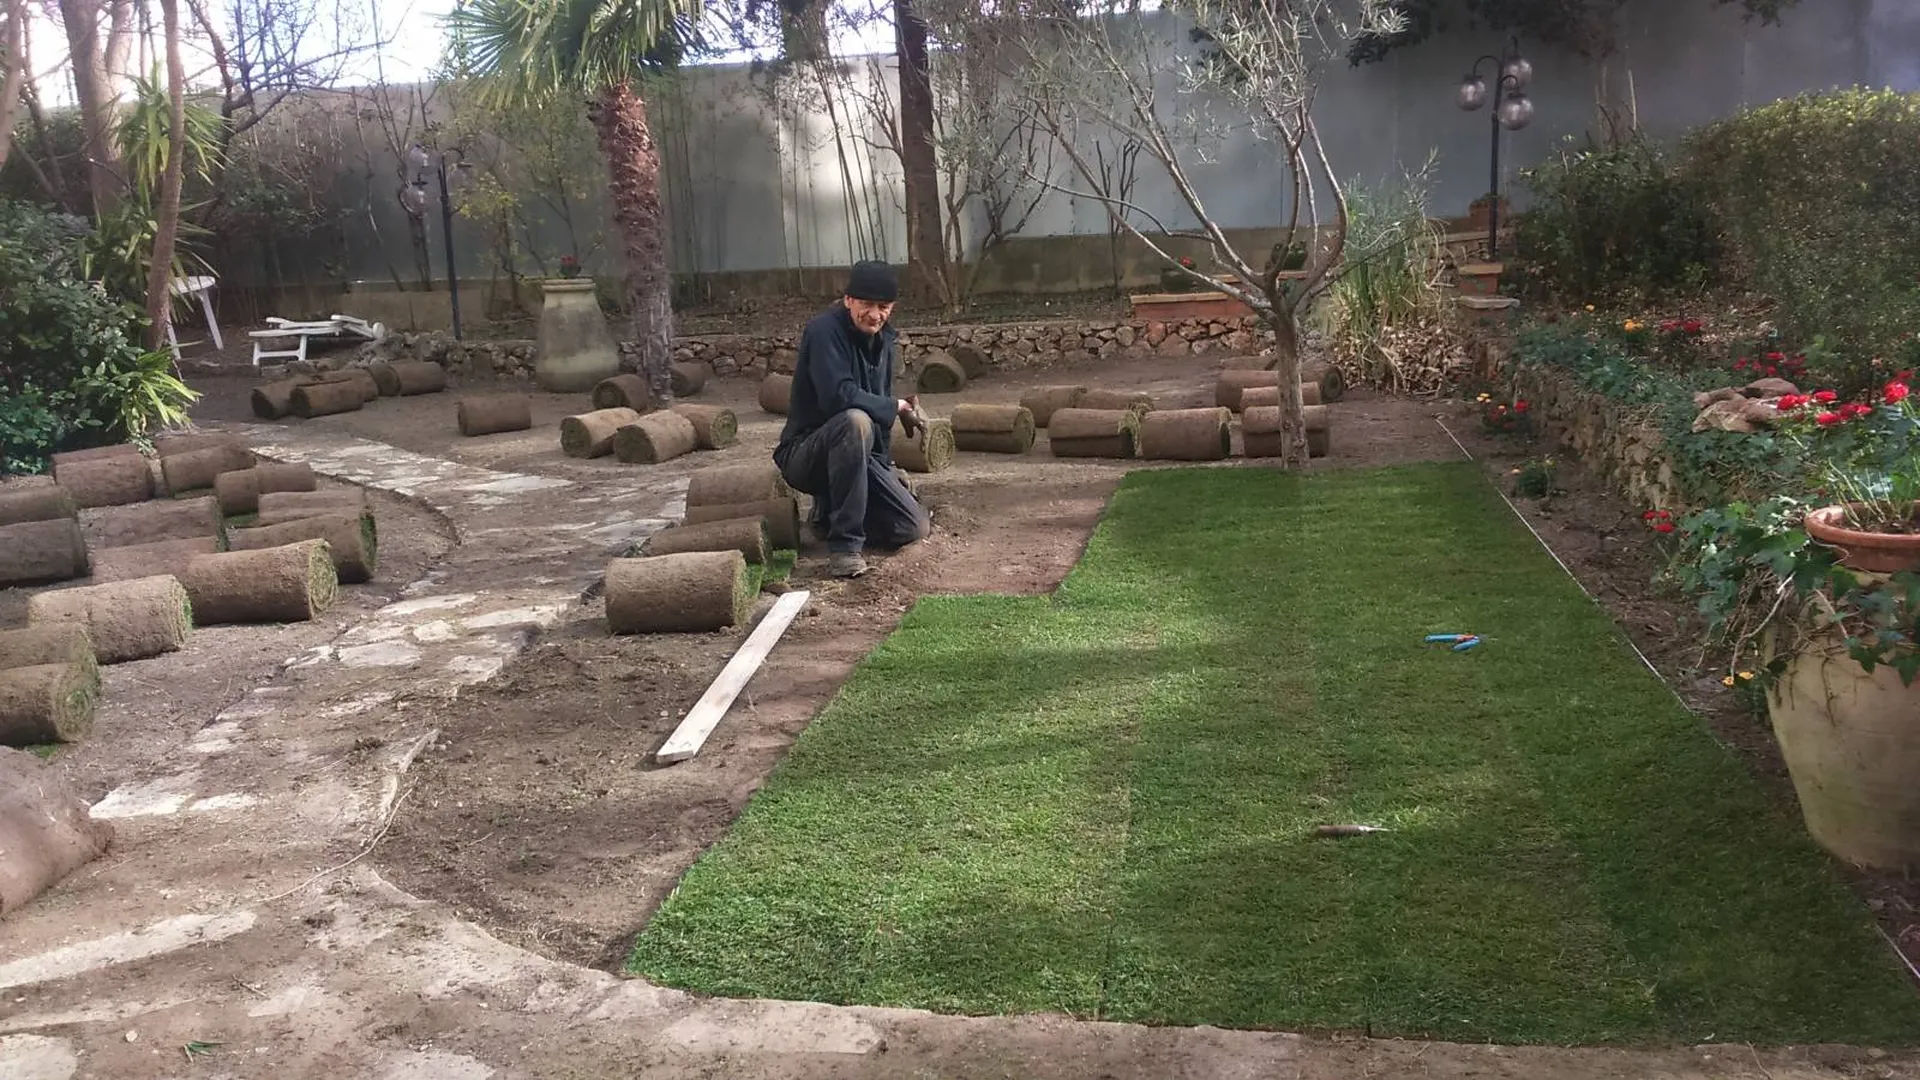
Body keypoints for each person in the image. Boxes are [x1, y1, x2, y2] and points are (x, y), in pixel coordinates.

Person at [773, 260, 932, 579]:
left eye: (883, 307)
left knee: (912, 527)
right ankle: (844, 548)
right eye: (866, 304)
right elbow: (838, 397)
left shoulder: (885, 340)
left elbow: (878, 405)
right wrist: (897, 406)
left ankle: (831, 511)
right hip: (806, 454)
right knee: (855, 421)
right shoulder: (823, 332)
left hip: (858, 455)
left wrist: (886, 468)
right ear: (848, 300)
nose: (875, 314)